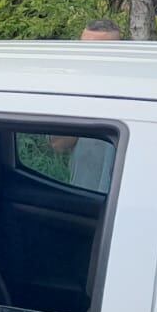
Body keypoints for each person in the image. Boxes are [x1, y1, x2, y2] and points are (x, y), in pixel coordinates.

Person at [53, 19, 122, 191]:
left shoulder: (139, 90)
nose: (88, 56)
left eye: (99, 51)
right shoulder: (72, 88)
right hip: (85, 194)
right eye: (84, 49)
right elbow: (58, 144)